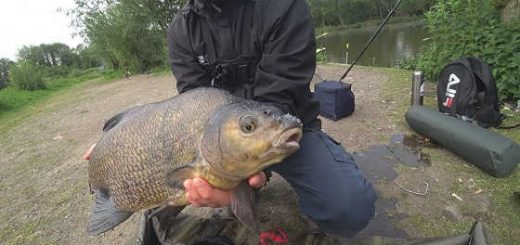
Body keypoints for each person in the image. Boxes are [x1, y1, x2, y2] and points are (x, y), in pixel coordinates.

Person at [84, 0, 377, 242]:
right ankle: (238, 182)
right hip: (218, 144)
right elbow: (192, 102)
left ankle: (259, 178)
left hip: (281, 133)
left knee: (349, 209)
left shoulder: (284, 6)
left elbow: (282, 96)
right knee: (160, 186)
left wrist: (247, 163)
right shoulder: (181, 30)